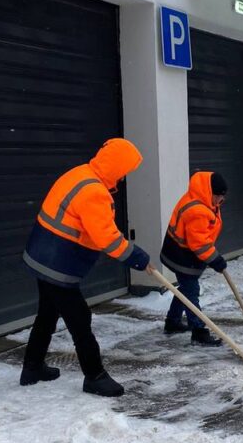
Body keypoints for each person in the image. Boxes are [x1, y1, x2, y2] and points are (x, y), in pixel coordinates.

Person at [20, 138, 150, 396]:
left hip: (42, 254)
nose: (124, 178)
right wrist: (136, 256)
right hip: (58, 262)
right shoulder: (94, 192)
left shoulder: (80, 173)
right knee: (80, 318)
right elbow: (107, 238)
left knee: (47, 313)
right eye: (124, 171)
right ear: (116, 166)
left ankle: (32, 367)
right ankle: (95, 376)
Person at [160, 171, 228, 347]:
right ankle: (199, 332)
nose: (220, 202)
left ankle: (173, 322)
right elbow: (199, 243)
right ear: (209, 192)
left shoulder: (204, 201)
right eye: (219, 197)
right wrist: (216, 260)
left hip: (187, 255)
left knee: (185, 289)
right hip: (182, 256)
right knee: (191, 293)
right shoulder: (196, 210)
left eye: (222, 198)